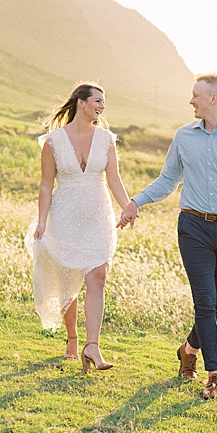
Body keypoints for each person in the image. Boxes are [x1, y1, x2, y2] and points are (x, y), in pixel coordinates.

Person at [118, 74, 217, 399]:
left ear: (214, 99)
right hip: (193, 227)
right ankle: (214, 374)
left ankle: (188, 348)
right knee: (205, 303)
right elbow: (168, 179)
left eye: (196, 95)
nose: (191, 101)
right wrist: (135, 202)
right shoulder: (184, 137)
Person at [25, 83, 134, 372]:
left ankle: (92, 347)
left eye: (104, 103)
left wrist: (127, 206)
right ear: (81, 103)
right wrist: (42, 220)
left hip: (98, 216)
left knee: (97, 276)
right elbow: (46, 184)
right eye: (97, 101)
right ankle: (72, 338)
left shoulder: (107, 139)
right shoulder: (53, 142)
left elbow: (114, 180)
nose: (101, 107)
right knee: (68, 277)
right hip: (65, 215)